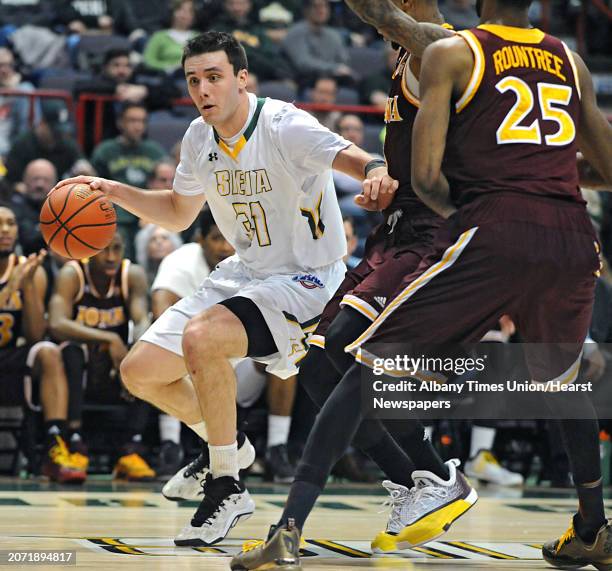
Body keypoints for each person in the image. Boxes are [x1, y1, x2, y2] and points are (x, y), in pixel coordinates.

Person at [233, 0, 612, 568]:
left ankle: (289, 526)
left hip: (489, 229)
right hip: (572, 238)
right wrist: (543, 172)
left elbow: (430, 179)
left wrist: (490, 207)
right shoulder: (572, 61)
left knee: (365, 369)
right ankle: (594, 526)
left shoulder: (455, 51)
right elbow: (606, 169)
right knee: (559, 381)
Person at [51, 30, 396, 546]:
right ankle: (229, 445)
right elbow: (178, 211)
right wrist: (114, 192)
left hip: (305, 279)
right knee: (141, 372)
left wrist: (375, 174)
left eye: (213, 77)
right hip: (246, 271)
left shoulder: (284, 125)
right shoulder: (197, 137)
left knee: (203, 338)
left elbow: (358, 158)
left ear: (241, 79)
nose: (203, 90)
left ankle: (227, 485)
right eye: (193, 81)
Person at [230, 2, 479, 567]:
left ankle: (300, 518)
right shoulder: (405, 56)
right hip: (392, 230)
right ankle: (427, 478)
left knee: (347, 351)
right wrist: (383, 177)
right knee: (317, 365)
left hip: (428, 236)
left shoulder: (439, 45)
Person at [48, 232, 155, 482]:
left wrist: (137, 347)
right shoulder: (72, 274)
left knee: (148, 354)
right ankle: (73, 444)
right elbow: (56, 323)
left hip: (115, 367)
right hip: (80, 368)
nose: (111, 257)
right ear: (88, 249)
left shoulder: (132, 275)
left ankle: (131, 448)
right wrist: (109, 338)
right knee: (71, 351)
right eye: (104, 250)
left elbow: (141, 320)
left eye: (117, 249)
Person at [0, 203, 83, 483]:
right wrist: (9, 291)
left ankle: (54, 444)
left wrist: (27, 288)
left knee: (48, 351)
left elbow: (35, 335)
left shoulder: (31, 270)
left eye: (11, 223)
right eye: (0, 224)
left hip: (11, 355)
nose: (5, 230)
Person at [90, 102, 166, 261]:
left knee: (162, 235)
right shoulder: (105, 151)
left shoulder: (155, 151)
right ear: (120, 123)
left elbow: (166, 185)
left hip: (147, 214)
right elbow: (93, 188)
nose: (138, 126)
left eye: (142, 121)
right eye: (132, 121)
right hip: (116, 215)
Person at [143, 0, 197, 74]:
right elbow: (148, 61)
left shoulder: (198, 38)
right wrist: (168, 67)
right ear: (172, 12)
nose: (185, 14)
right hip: (164, 77)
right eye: (180, 9)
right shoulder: (159, 36)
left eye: (190, 11)